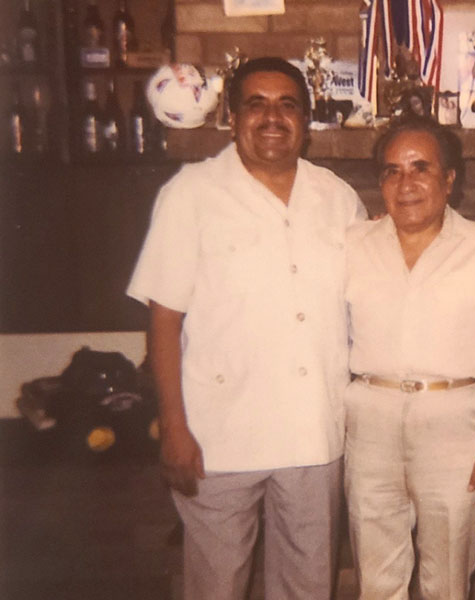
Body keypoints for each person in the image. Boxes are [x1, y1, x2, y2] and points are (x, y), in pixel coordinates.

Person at [127, 57, 366, 600]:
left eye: (287, 104)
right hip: (219, 437)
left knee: (308, 587)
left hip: (314, 434)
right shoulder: (191, 194)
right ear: (231, 117)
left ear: (306, 120)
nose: (271, 117)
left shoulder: (337, 197)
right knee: (216, 587)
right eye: (255, 104)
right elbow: (163, 318)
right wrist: (174, 425)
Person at [343, 116, 475, 600]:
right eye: (392, 171)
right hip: (371, 418)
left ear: (449, 180)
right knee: (376, 575)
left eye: (420, 168)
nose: (406, 184)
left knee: (447, 576)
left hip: (454, 420)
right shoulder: (352, 244)